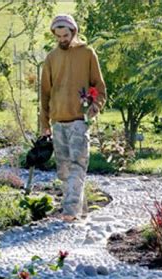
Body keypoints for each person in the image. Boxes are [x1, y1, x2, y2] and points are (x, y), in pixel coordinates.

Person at [40, 14, 106, 222]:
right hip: (58, 121)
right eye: (58, 36)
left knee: (77, 165)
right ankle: (81, 210)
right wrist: (45, 123)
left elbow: (99, 86)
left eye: (65, 35)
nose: (62, 39)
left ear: (74, 32)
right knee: (64, 171)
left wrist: (95, 106)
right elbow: (44, 93)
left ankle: (68, 211)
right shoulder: (51, 57)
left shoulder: (87, 53)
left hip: (79, 118)